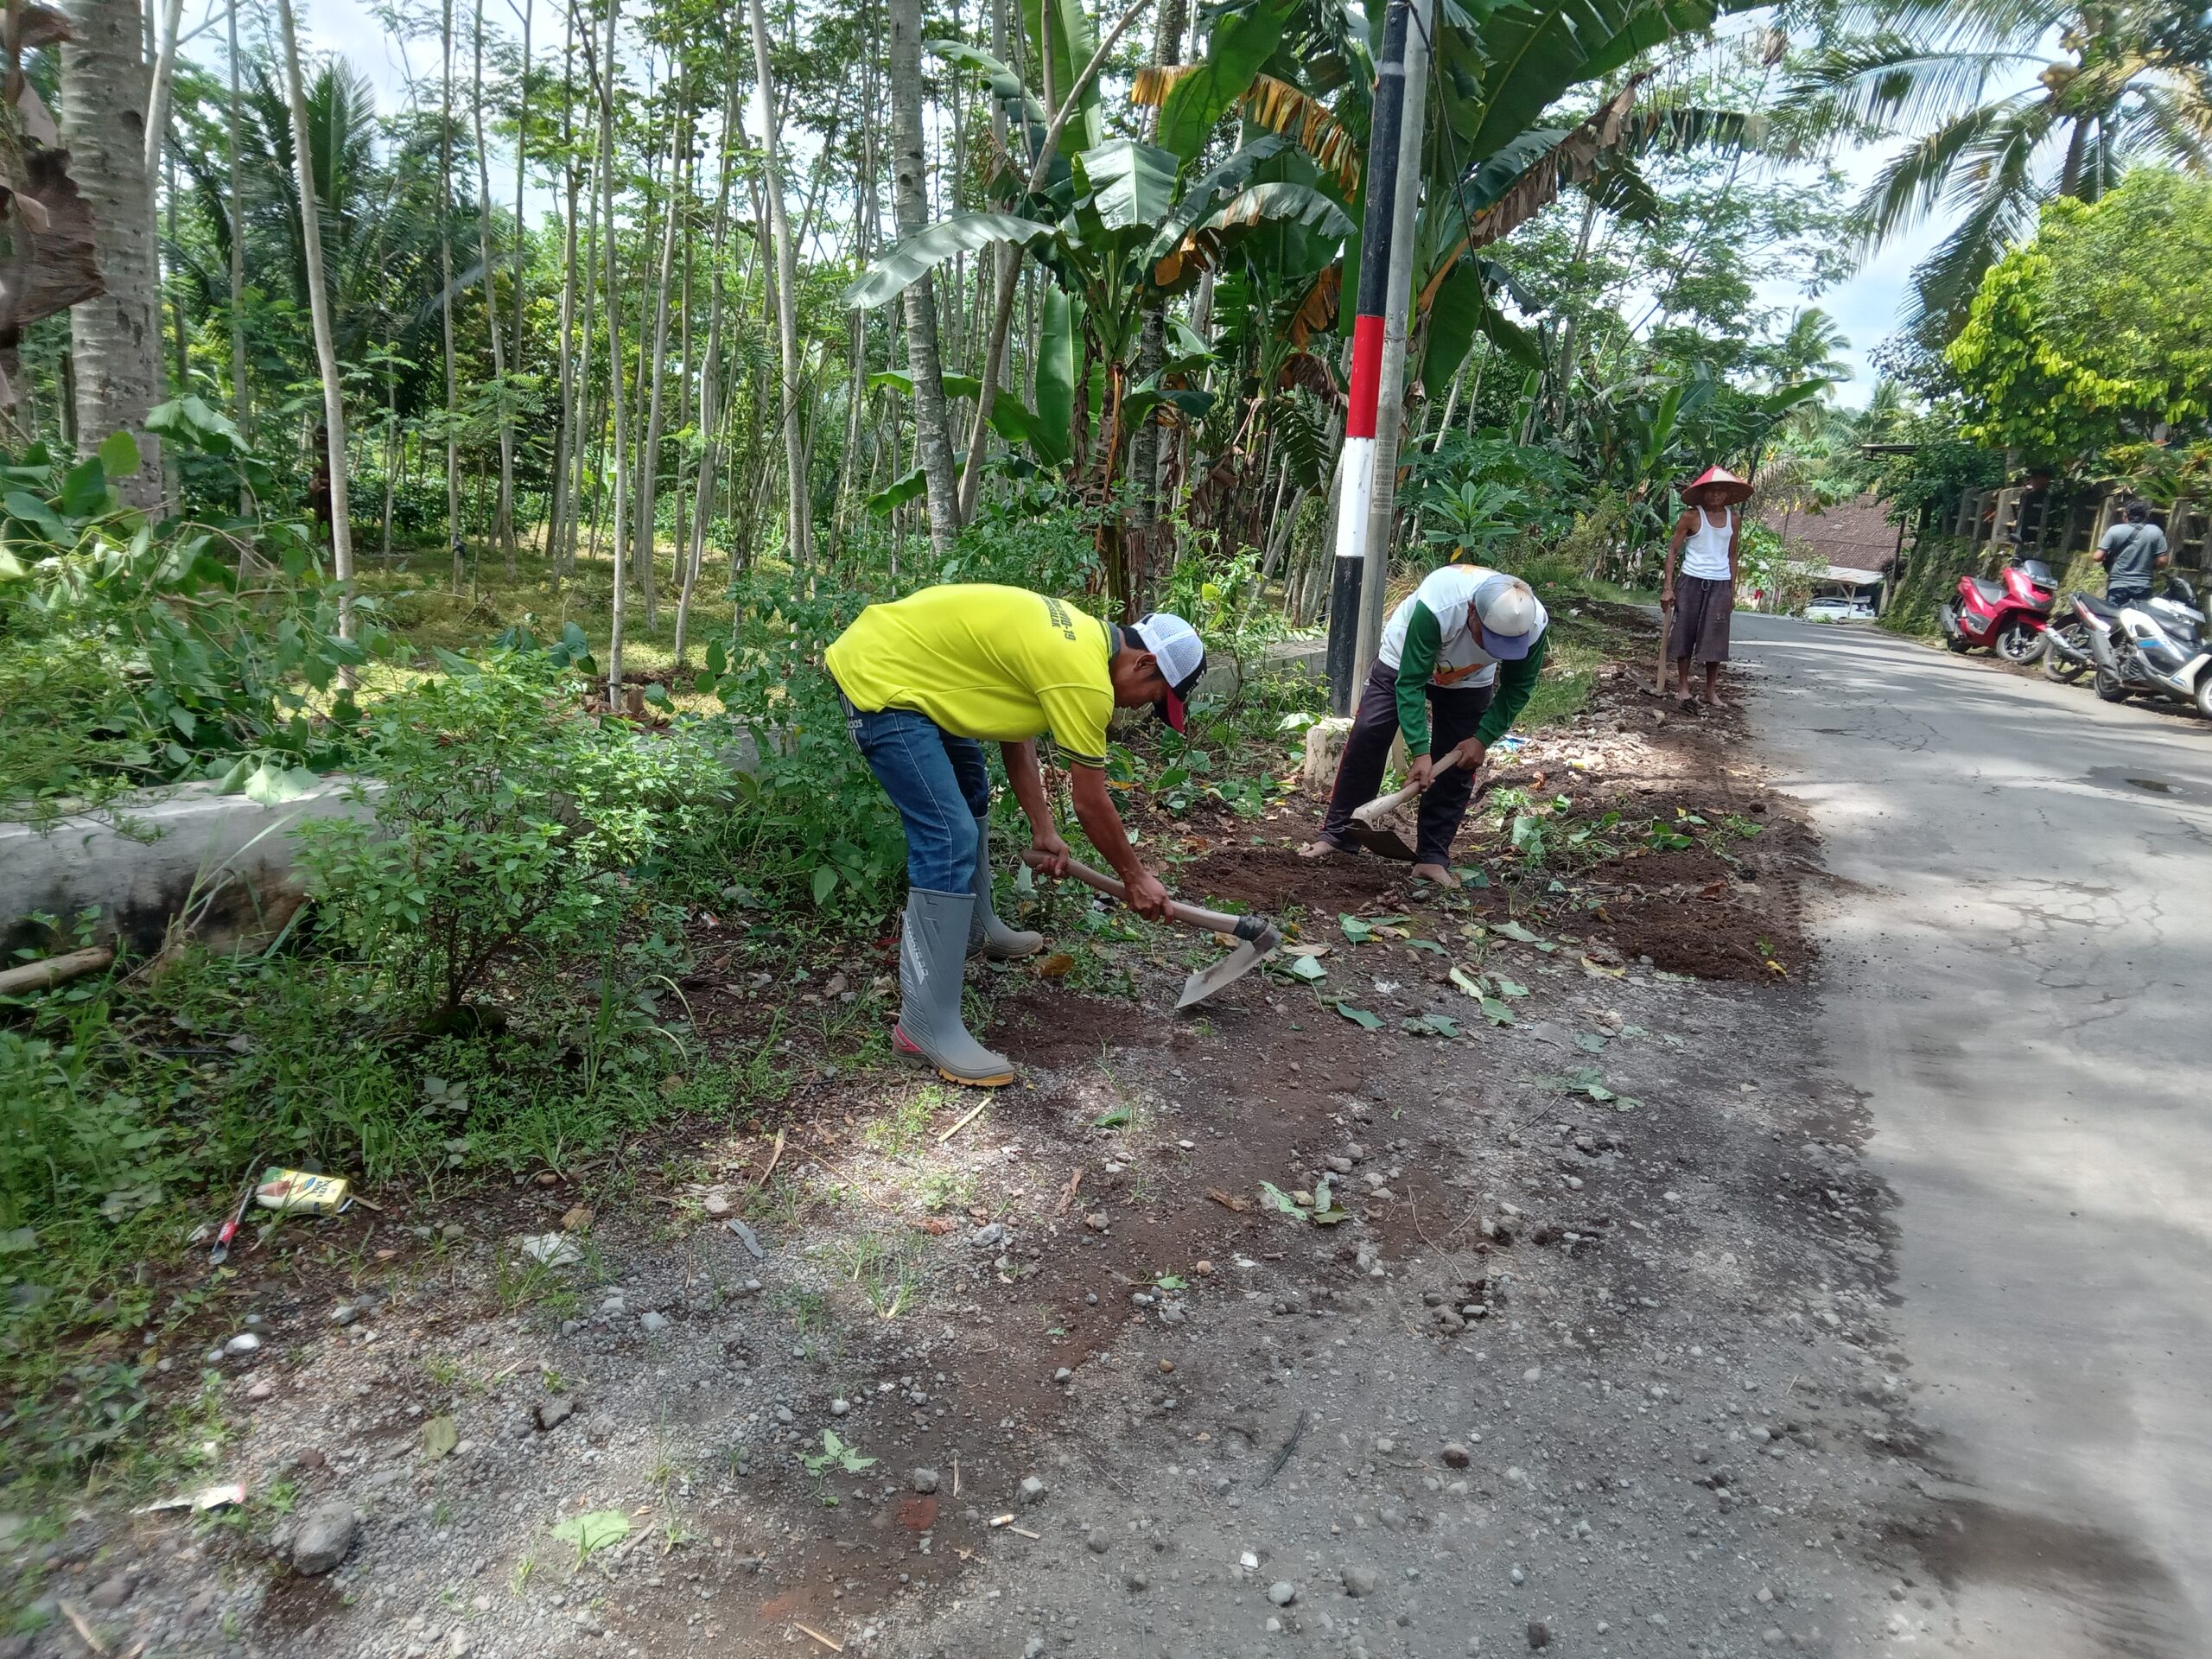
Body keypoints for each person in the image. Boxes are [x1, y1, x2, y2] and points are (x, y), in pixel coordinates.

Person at [824, 585, 1205, 1088]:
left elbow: (1014, 726)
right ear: (1143, 663)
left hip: (916, 670)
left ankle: (975, 930)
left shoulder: (1080, 640)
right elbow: (1091, 802)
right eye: (1153, 699)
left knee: (970, 790)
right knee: (948, 833)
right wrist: (1134, 877)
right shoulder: (1087, 681)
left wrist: (1043, 829)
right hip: (884, 678)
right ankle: (922, 1026)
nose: (1138, 710)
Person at [1300, 564, 1549, 888]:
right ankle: (1337, 836)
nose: (1492, 649)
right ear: (1472, 611)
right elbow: (1411, 682)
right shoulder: (1439, 604)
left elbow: (1517, 689)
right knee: (1369, 736)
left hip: (1470, 681)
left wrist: (1482, 739)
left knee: (1459, 766)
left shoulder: (1533, 624)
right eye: (1488, 638)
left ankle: (1432, 857)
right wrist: (1420, 752)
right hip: (1403, 660)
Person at [1661, 465, 1752, 709]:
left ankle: (1711, 691)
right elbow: (1673, 550)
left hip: (1719, 582)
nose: (1716, 496)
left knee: (1716, 637)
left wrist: (1731, 590)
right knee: (1685, 633)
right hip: (1691, 579)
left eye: (1721, 492)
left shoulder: (1734, 519)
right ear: (1703, 493)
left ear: (1727, 495)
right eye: (1711, 491)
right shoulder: (1691, 517)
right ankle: (1683, 688)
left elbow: (1732, 556)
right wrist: (1668, 587)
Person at [2096, 499, 2168, 606]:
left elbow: (2097, 557)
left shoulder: (2114, 530)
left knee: (2113, 617)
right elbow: (2163, 561)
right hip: (2143, 585)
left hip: (2118, 585)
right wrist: (2149, 565)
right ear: (2145, 515)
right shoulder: (2155, 531)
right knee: (2139, 618)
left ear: (2125, 514)